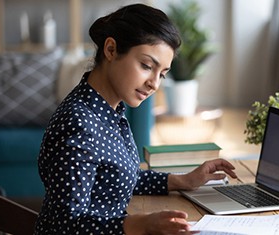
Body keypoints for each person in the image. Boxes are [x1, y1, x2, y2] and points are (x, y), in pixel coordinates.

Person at [34, 3, 237, 235]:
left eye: (162, 74)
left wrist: (184, 181)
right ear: (111, 50)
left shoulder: (109, 111)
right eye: (146, 66)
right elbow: (65, 227)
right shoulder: (78, 123)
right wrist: (141, 225)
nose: (155, 83)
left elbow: (114, 179)